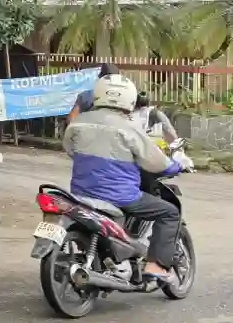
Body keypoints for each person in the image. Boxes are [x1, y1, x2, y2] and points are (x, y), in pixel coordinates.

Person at [62, 73, 190, 285]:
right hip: (120, 196)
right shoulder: (129, 127)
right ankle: (156, 266)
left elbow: (69, 149)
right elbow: (156, 163)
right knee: (170, 212)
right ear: (129, 99)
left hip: (81, 193)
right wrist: (176, 165)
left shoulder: (78, 122)